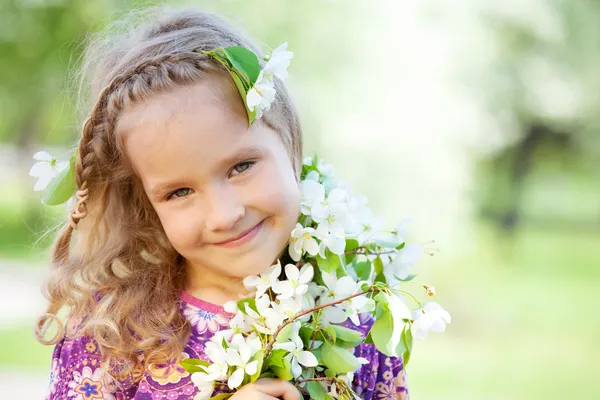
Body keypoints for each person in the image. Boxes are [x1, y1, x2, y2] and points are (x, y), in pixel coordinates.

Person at [35, 6, 409, 400]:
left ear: (289, 142)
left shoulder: (355, 322)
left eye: (241, 166)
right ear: (146, 203)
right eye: (179, 192)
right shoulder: (109, 335)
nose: (225, 215)